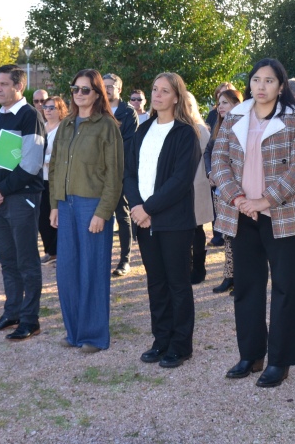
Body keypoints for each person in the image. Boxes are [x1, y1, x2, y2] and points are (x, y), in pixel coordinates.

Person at [210, 59, 295, 388]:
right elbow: (219, 160)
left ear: (281, 86)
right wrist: (239, 200)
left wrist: (263, 201)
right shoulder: (236, 116)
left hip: (282, 215)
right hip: (242, 215)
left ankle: (280, 360)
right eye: (256, 79)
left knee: (285, 290)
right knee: (247, 288)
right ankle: (251, 355)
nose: (261, 86)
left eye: (269, 81)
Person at [125, 73, 202, 368]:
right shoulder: (142, 130)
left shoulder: (186, 133)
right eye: (154, 89)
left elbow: (180, 181)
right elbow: (129, 172)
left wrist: (149, 209)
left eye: (164, 91)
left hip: (174, 222)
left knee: (178, 285)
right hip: (143, 219)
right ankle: (161, 340)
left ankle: (180, 346)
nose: (157, 95)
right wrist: (137, 207)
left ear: (175, 97)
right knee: (156, 284)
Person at [48, 70, 123, 352]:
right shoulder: (66, 125)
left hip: (92, 205)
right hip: (66, 205)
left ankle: (93, 336)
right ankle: (74, 332)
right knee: (67, 271)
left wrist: (103, 212)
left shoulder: (107, 126)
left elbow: (115, 174)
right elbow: (54, 167)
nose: (79, 95)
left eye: (86, 90)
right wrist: (55, 204)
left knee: (92, 269)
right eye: (75, 89)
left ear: (97, 93)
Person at [0, 64, 46, 341]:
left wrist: (0, 190)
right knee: (7, 259)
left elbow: (30, 164)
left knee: (27, 261)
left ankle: (30, 320)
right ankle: (12, 313)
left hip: (21, 199)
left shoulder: (29, 115)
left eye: (4, 84)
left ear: (19, 86)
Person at [206, 88, 243, 294]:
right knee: (227, 236)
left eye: (225, 103)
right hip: (220, 190)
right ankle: (229, 276)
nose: (220, 107)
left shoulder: (244, 125)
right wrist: (212, 171)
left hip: (238, 190)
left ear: (237, 104)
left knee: (239, 238)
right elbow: (210, 152)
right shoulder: (218, 125)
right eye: (219, 103)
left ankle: (241, 278)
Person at [104, 73, 139, 277]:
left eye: (110, 86)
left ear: (119, 89)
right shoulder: (97, 109)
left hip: (119, 171)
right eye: (103, 85)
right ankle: (102, 259)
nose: (106, 89)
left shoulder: (128, 112)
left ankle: (125, 260)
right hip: (98, 174)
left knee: (122, 215)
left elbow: (129, 143)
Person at [185, 92, 214, 285]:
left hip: (197, 183)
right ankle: (187, 266)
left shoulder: (201, 129)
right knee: (185, 229)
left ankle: (199, 267)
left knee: (196, 228)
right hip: (183, 186)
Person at [39, 95, 68, 264]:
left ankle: (59, 251)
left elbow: (62, 153)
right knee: (42, 218)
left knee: (56, 215)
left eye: (52, 108)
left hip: (56, 180)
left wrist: (43, 159)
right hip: (40, 179)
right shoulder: (41, 127)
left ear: (60, 110)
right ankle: (49, 250)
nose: (48, 111)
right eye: (46, 107)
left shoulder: (63, 129)